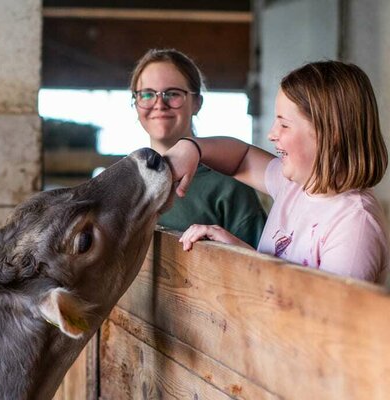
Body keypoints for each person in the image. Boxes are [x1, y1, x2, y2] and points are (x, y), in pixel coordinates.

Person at [164, 60, 389, 283]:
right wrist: (192, 147)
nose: (272, 134)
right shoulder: (294, 187)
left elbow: (320, 315)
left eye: (284, 125)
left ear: (330, 133)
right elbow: (240, 158)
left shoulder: (354, 225)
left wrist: (246, 258)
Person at [130, 48, 267, 248]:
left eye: (173, 94)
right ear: (136, 103)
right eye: (148, 94)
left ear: (197, 103)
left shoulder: (229, 185)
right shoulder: (125, 181)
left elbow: (263, 267)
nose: (159, 104)